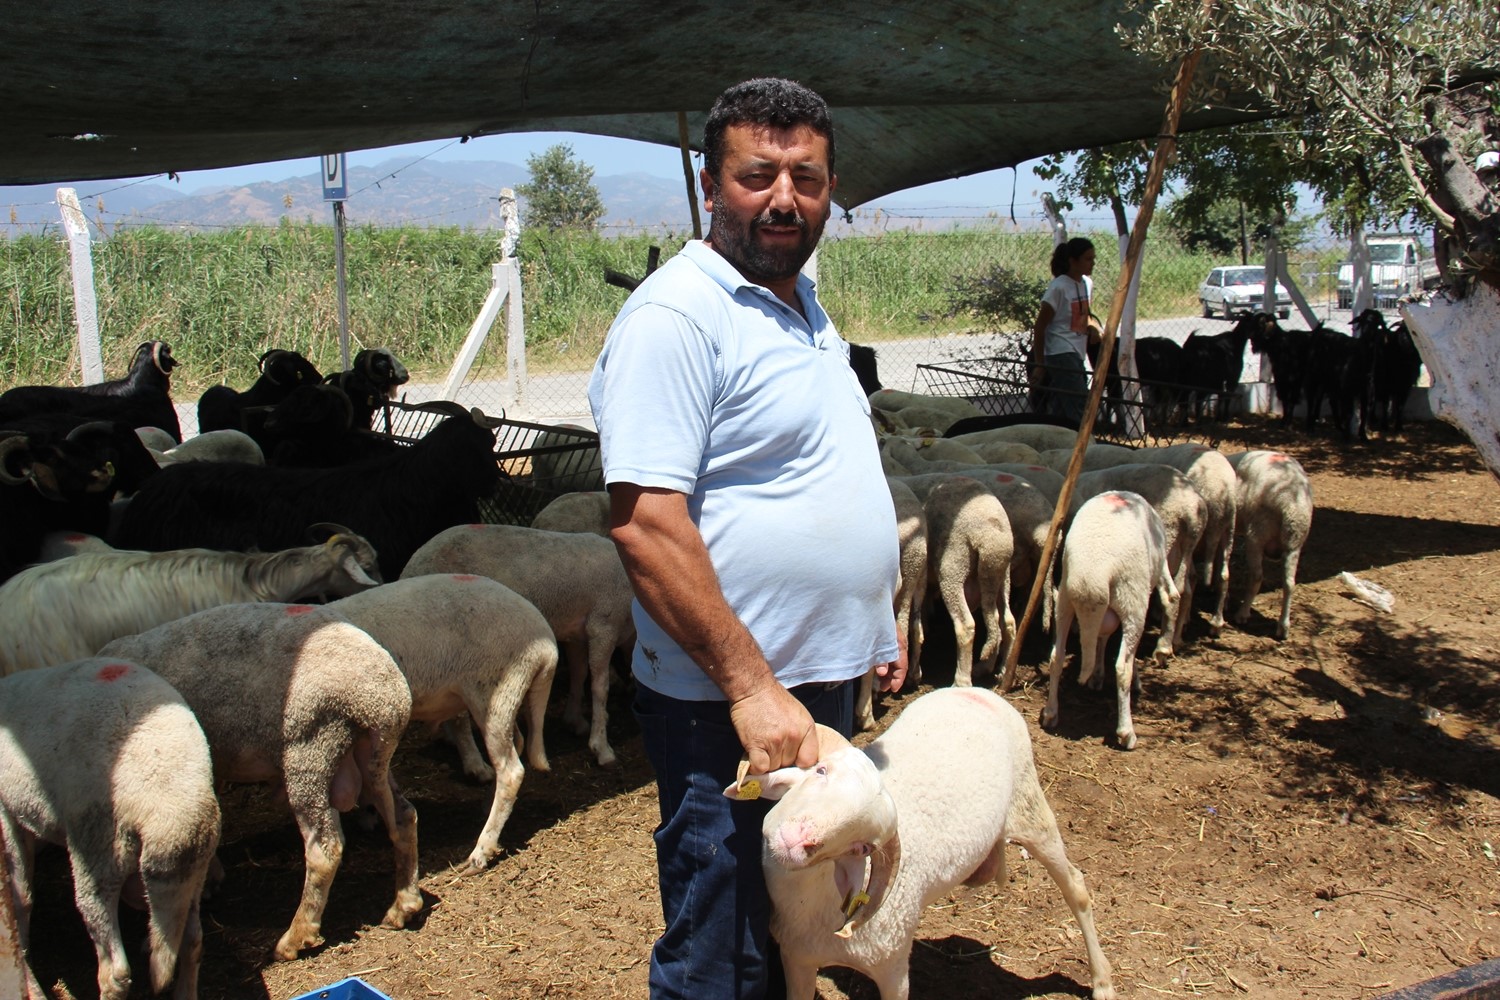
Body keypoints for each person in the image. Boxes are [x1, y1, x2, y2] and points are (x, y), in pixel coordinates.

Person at [587, 78, 906, 1000]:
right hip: (727, 711)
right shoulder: (675, 316)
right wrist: (751, 688)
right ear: (709, 185)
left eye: (806, 179)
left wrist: (871, 619)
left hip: (815, 691)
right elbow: (646, 525)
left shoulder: (802, 303)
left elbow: (814, 473)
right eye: (757, 175)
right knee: (720, 951)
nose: (783, 199)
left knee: (793, 925)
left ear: (829, 187)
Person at [1029, 236, 1101, 427]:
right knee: (1078, 405)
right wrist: (1040, 364)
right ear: (1073, 261)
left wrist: (1092, 328)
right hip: (1061, 351)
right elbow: (1040, 326)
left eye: (1093, 259)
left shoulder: (1086, 284)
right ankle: (1081, 446)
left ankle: (1061, 444)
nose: (1092, 263)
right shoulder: (1058, 287)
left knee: (1063, 408)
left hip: (1077, 351)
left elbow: (1085, 316)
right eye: (1088, 259)